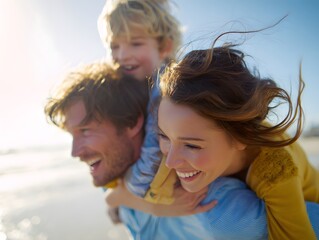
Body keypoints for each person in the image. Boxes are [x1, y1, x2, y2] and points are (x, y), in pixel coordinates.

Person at [44, 61, 319, 240]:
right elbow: (113, 195)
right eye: (162, 136)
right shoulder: (153, 158)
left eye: (86, 130)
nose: (171, 161)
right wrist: (141, 204)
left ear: (132, 123)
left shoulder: (242, 197)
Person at [154, 45, 319, 239]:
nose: (170, 162)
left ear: (241, 137)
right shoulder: (183, 137)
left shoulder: (276, 171)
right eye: (164, 136)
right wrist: (155, 207)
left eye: (192, 145)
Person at [97, 0, 182, 198]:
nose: (123, 55)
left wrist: (119, 195)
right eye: (114, 46)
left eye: (135, 43)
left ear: (164, 47)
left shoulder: (165, 89)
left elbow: (149, 170)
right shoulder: (128, 85)